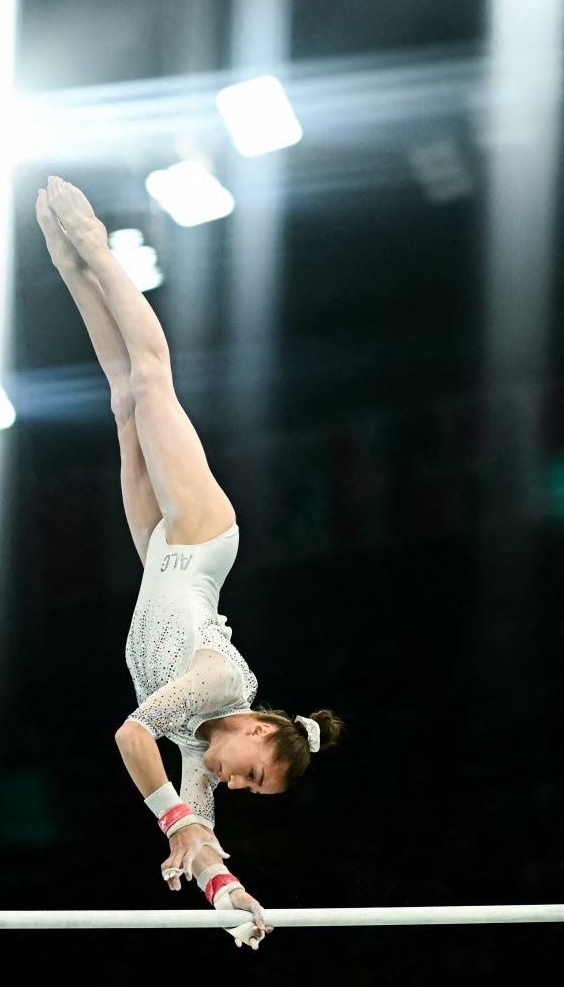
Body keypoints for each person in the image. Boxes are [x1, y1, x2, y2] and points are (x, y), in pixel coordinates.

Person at [35, 175, 346, 950]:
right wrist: (177, 823)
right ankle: (99, 249)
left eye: (244, 788)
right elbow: (130, 740)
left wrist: (230, 899)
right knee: (150, 381)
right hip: (202, 540)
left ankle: (71, 268)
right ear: (259, 728)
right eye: (253, 772)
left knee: (119, 401)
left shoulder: (202, 742)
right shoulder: (220, 687)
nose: (234, 783)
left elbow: (200, 830)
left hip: (156, 557)